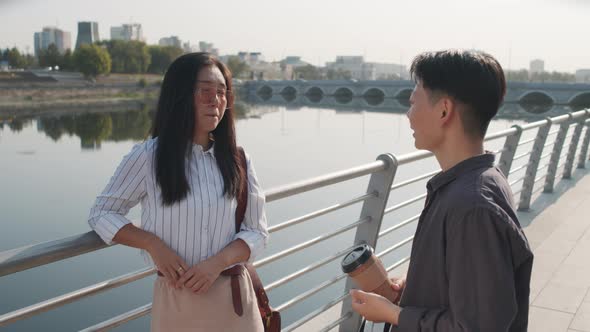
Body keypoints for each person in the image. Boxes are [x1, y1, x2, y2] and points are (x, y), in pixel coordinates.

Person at [350, 50, 534, 331]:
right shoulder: (480, 181)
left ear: (444, 111)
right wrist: (414, 290)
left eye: (413, 103)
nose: (408, 115)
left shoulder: (472, 206)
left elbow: (477, 327)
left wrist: (394, 315)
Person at [87, 52, 269, 331]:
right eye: (205, 91)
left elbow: (256, 231)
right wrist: (152, 244)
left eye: (221, 92)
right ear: (180, 95)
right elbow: (102, 213)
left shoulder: (238, 160)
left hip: (234, 301)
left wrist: (217, 263)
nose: (215, 100)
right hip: (178, 300)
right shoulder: (150, 156)